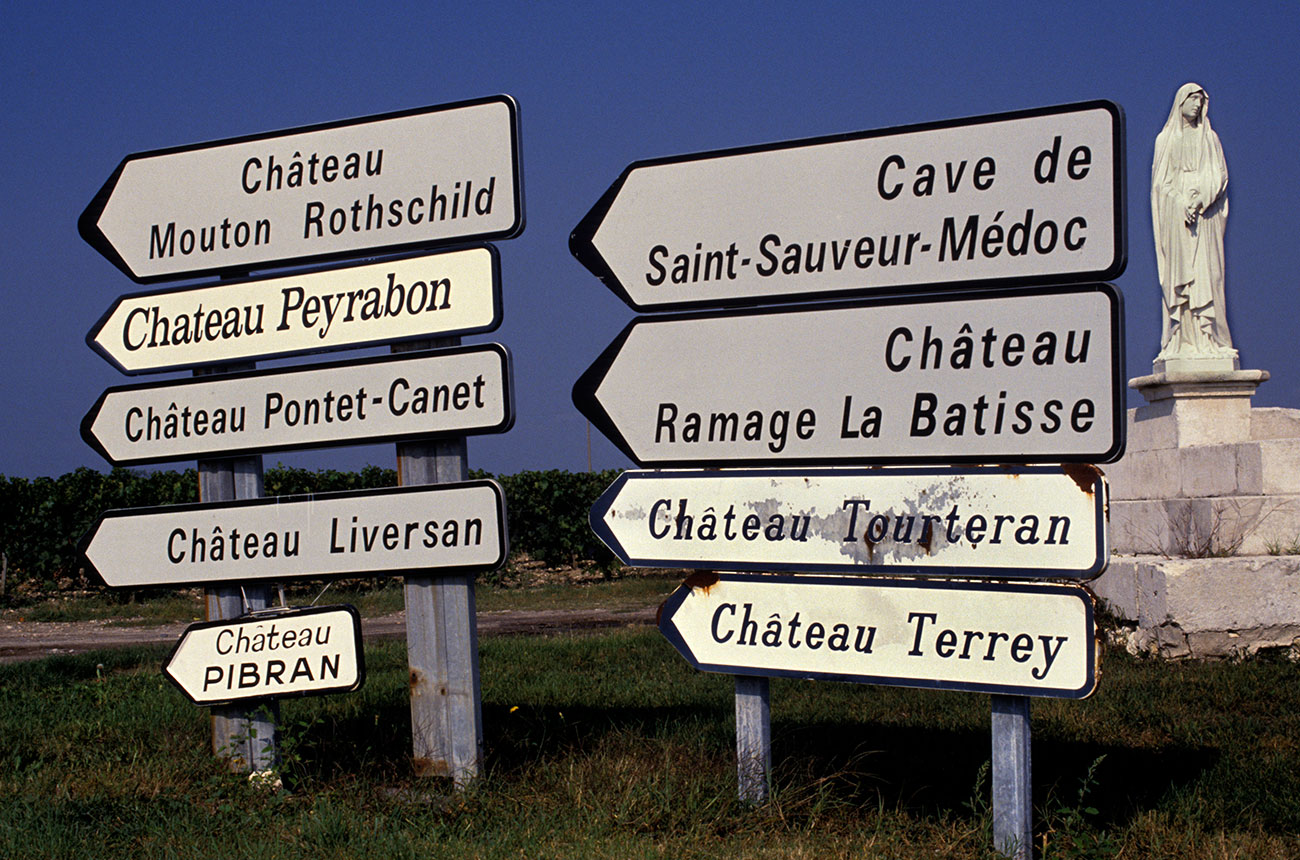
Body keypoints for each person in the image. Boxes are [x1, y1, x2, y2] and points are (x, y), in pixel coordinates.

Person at [1151, 83, 1231, 357]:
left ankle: (1210, 339)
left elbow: (1219, 176)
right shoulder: (1166, 140)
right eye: (1192, 99)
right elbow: (1160, 185)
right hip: (1178, 218)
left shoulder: (1210, 138)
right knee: (1182, 277)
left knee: (1209, 275)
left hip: (1205, 216)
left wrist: (1199, 200)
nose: (1196, 105)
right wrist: (1180, 202)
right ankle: (1182, 338)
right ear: (1181, 102)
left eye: (1200, 100)